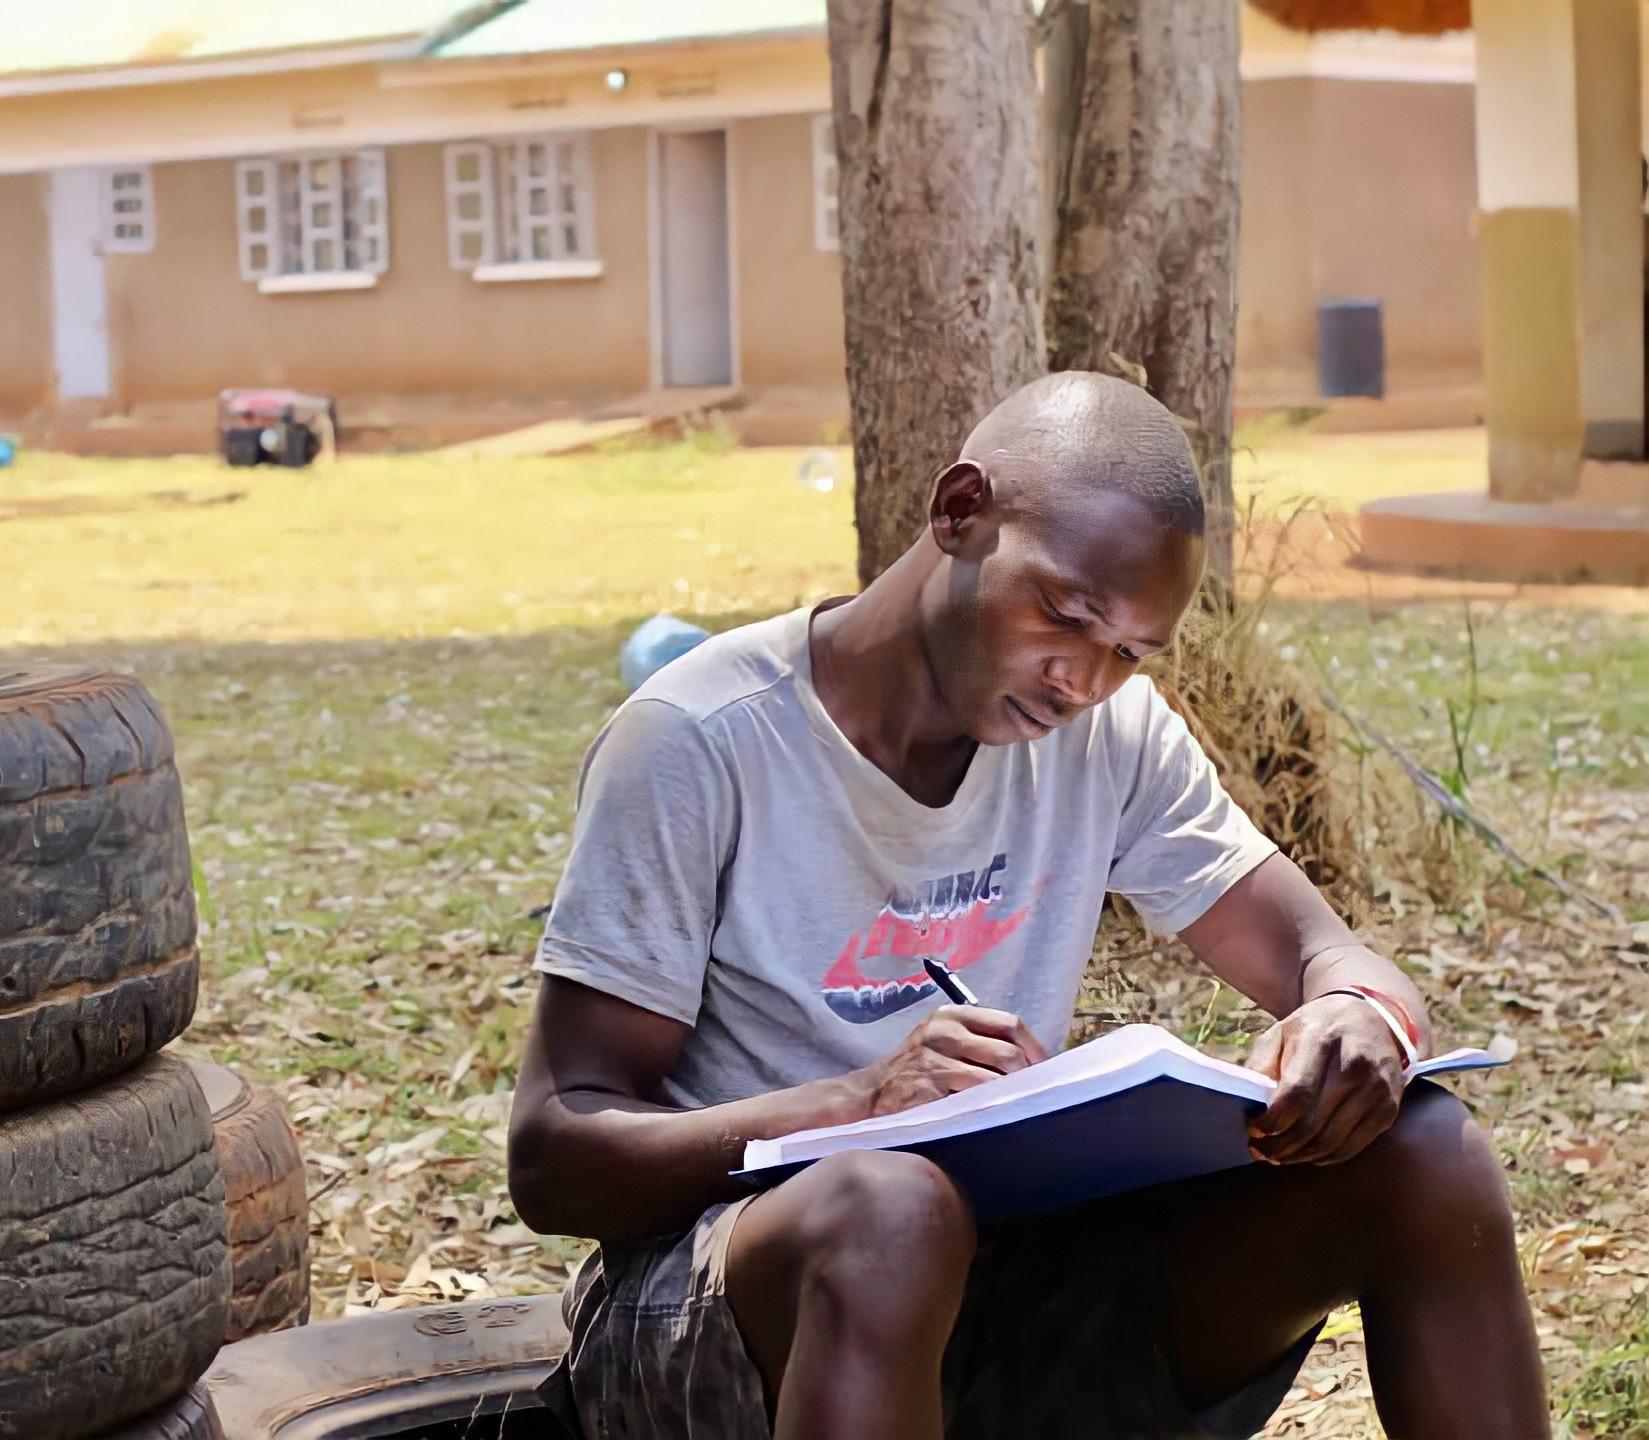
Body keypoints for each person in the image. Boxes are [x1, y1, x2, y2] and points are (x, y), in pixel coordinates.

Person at [508, 373, 1545, 1440]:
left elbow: (1322, 952)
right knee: (891, 1209)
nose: (1082, 680)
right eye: (1065, 613)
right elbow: (556, 1156)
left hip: (1009, 1287)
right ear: (960, 512)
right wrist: (859, 1106)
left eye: (1129, 652)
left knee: (1426, 1155)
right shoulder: (701, 740)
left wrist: (1361, 1018)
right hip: (719, 1314)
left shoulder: (1109, 737)